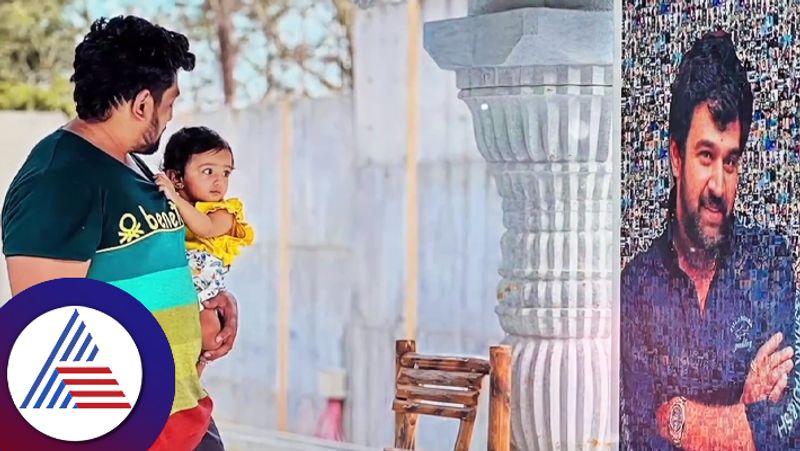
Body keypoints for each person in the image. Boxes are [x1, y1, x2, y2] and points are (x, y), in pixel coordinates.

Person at [1, 16, 238, 451]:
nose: (170, 117)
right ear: (143, 104)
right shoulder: (60, 178)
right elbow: (50, 338)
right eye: (170, 103)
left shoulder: (132, 166)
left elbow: (142, 273)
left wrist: (200, 308)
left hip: (184, 413)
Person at [621, 31, 800, 450]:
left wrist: (682, 417)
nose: (719, 184)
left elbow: (786, 431)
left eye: (731, 160)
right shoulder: (638, 286)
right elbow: (648, 435)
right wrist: (745, 413)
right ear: (677, 156)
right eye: (706, 156)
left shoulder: (770, 264)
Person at [155, 126, 254, 374]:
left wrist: (175, 199)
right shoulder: (166, 205)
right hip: (174, 290)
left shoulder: (224, 212)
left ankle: (195, 386)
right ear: (176, 178)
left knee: (209, 338)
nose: (219, 181)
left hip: (204, 291)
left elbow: (205, 228)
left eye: (226, 173)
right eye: (208, 171)